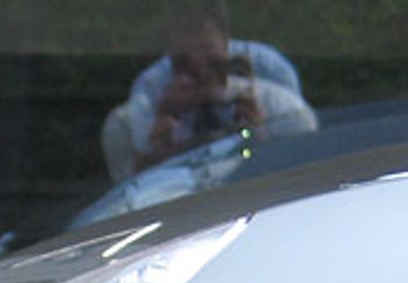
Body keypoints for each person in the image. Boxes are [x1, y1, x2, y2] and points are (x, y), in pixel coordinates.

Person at [117, 3, 314, 174]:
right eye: (184, 62)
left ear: (227, 44)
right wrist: (163, 135)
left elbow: (303, 161)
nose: (200, 72)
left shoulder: (279, 102)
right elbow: (139, 177)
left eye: (211, 61)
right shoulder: (151, 95)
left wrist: (260, 133)